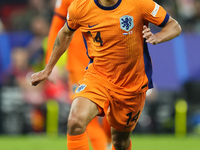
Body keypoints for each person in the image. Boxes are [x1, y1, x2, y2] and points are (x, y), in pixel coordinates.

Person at [30, 0, 182, 149]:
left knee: (119, 142)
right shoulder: (80, 6)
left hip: (131, 84)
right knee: (75, 120)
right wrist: (48, 69)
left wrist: (158, 37)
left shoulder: (140, 4)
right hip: (98, 77)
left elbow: (174, 26)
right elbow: (65, 33)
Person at [45, 0, 110, 149]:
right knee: (83, 117)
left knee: (112, 116)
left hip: (108, 63)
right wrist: (51, 62)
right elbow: (57, 25)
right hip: (79, 67)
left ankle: (108, 142)